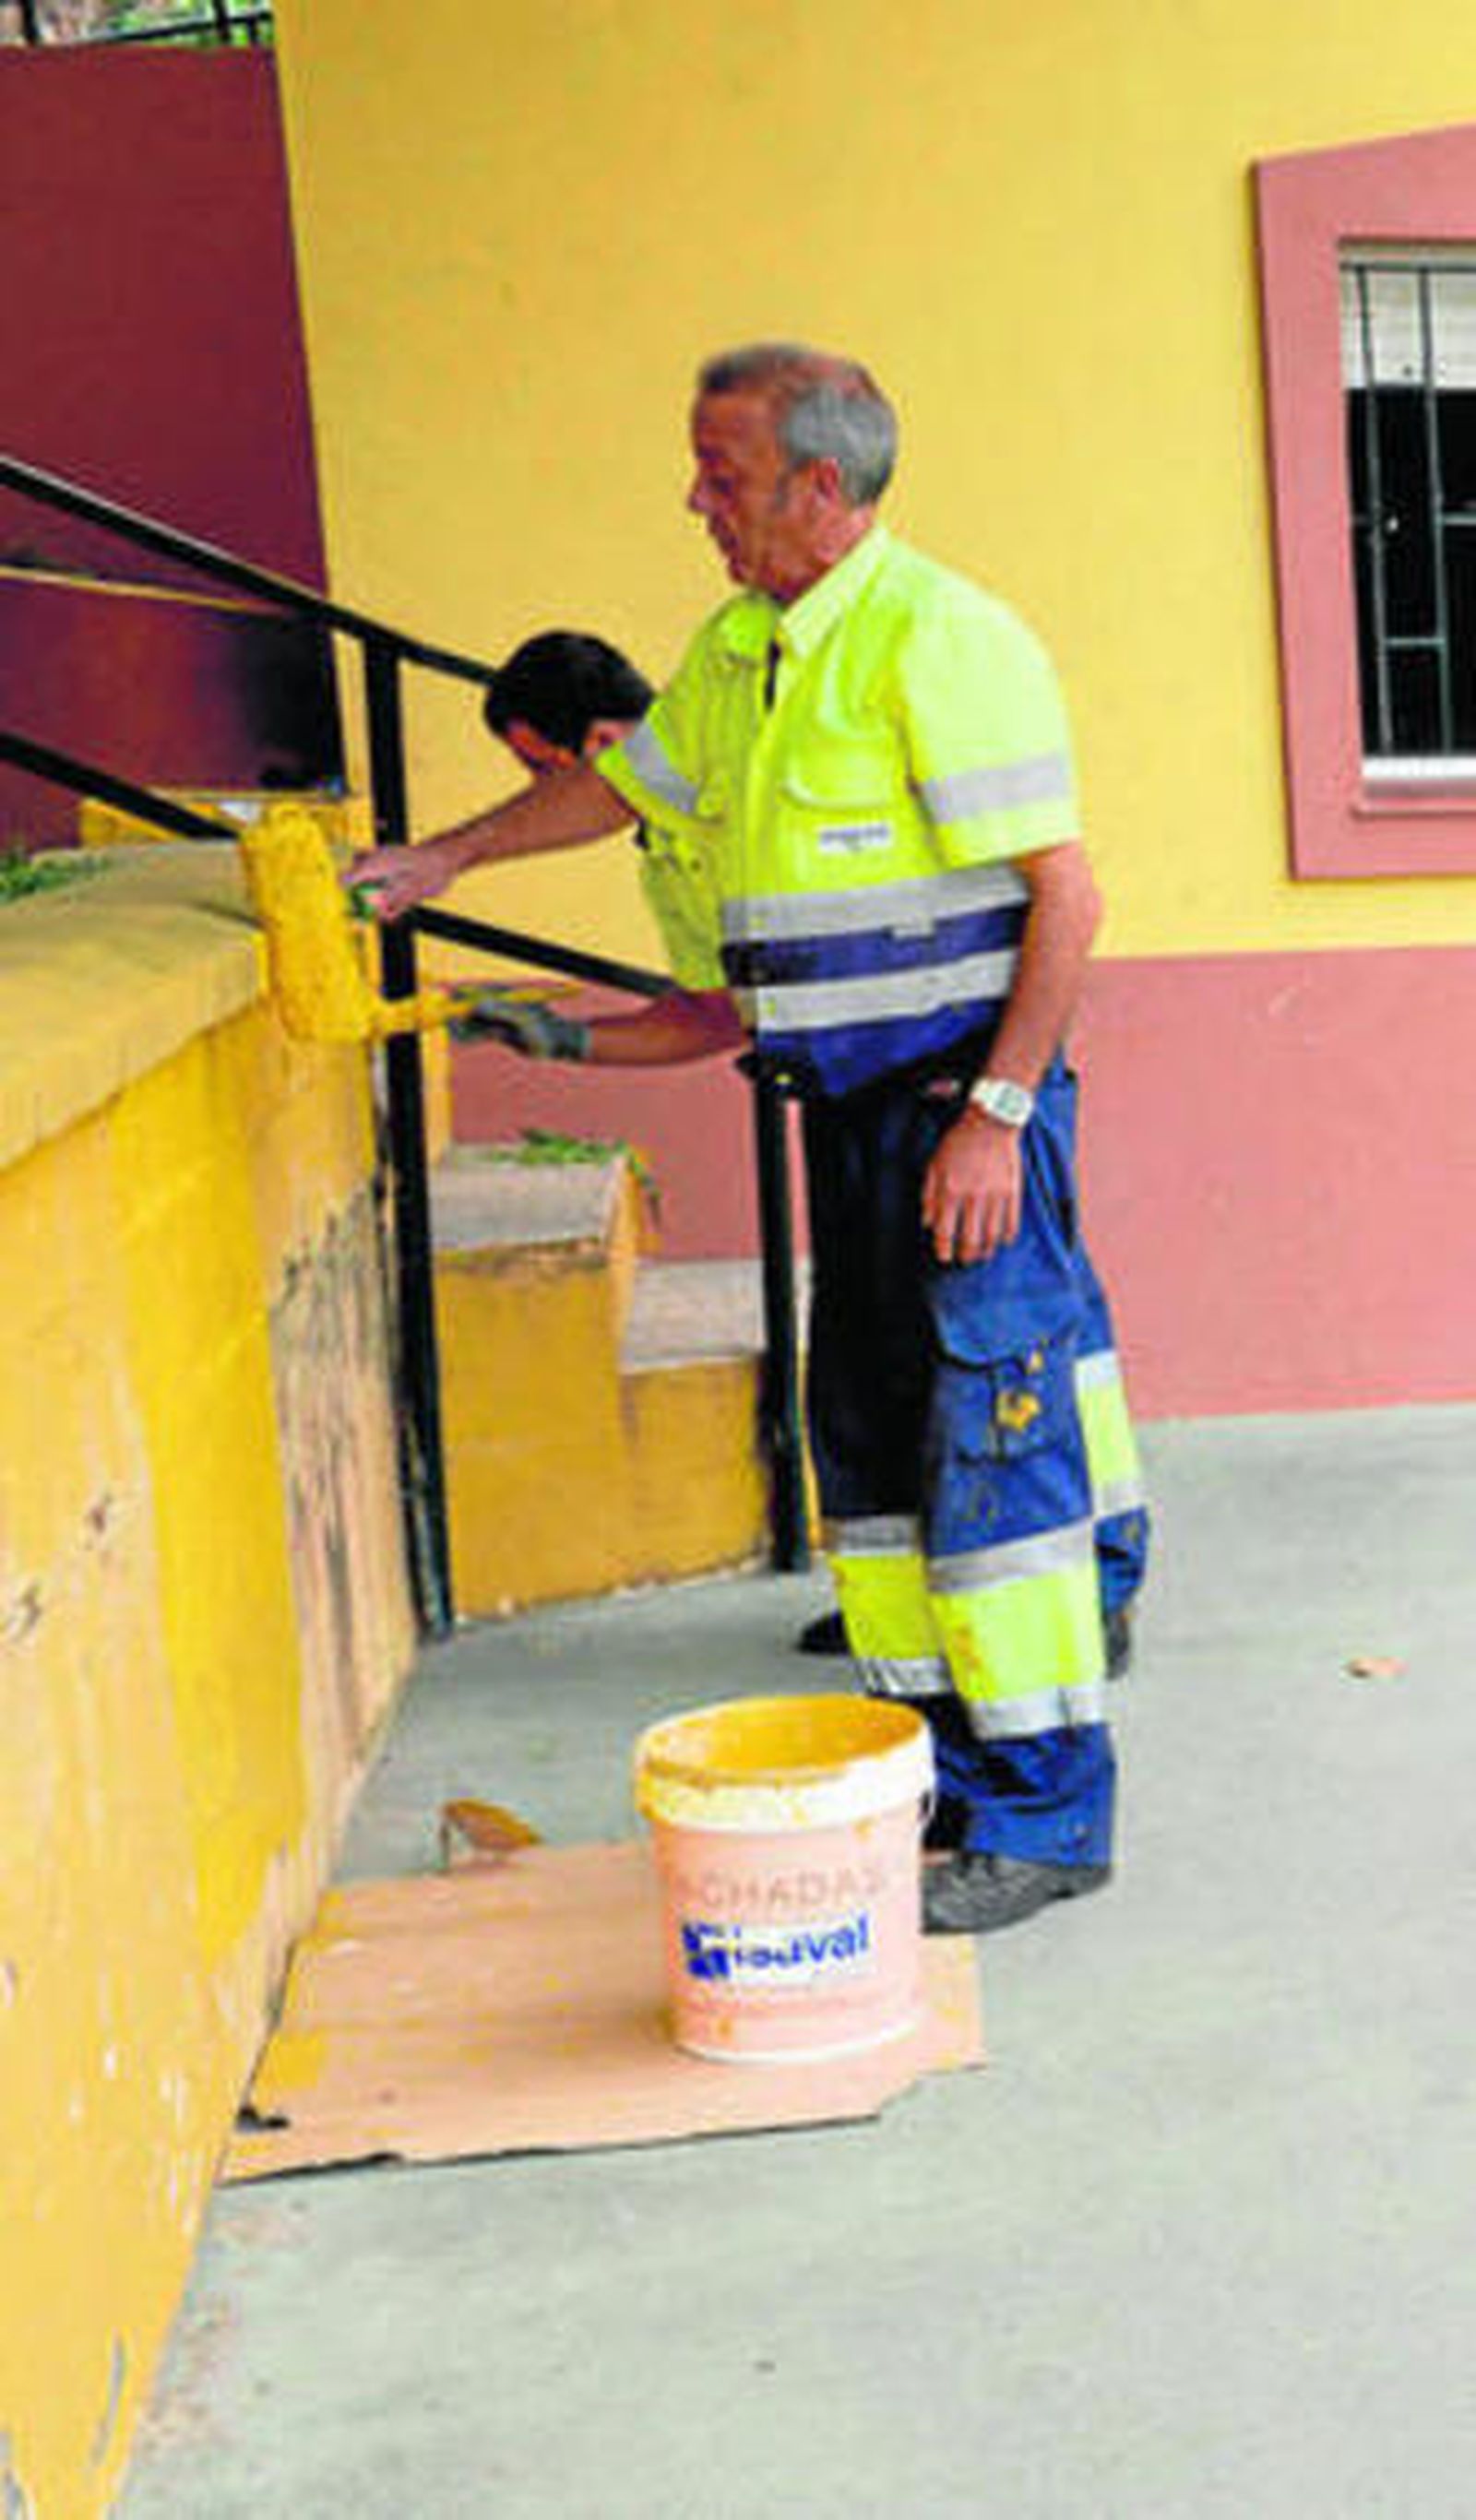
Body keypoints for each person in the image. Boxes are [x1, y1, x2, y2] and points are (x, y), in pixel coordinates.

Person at [352, 340, 1149, 1935]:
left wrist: (995, 1117)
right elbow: (619, 798)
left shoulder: (941, 637)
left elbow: (1066, 893)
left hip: (952, 1117)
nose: (696, 501)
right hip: (849, 1125)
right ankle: (927, 1774)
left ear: (821, 490)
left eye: (722, 474)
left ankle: (1050, 1817)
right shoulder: (739, 650)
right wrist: (441, 857)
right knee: (865, 1454)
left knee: (993, 1466)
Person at [469, 629, 849, 1656]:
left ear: (597, 744)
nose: (543, 804)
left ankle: (1060, 1595)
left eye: (542, 776)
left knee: (956, 1347)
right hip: (838, 1093)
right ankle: (897, 1611)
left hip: (919, 1078)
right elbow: (713, 1013)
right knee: (862, 1354)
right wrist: (564, 1042)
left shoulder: (741, 779)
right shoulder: (667, 846)